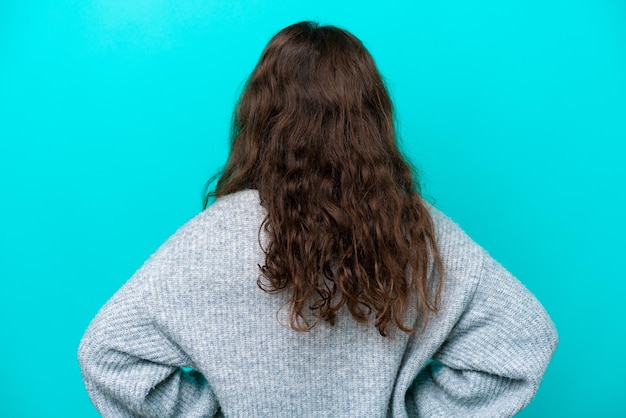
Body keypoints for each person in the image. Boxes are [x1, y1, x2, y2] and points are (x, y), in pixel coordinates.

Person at [78, 21, 558, 417]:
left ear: (259, 117)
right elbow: (524, 339)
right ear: (371, 118)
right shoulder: (415, 231)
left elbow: (107, 354)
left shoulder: (209, 238)